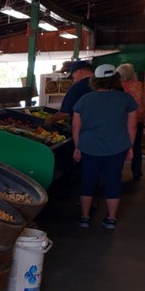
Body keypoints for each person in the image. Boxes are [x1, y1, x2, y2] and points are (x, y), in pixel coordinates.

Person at [72, 64, 137, 229]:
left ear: (95, 80)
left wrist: (77, 147)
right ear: (115, 79)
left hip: (89, 146)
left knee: (88, 180)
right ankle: (111, 219)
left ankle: (85, 218)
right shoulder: (127, 99)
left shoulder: (84, 99)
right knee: (113, 180)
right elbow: (132, 127)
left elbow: (75, 127)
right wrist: (129, 147)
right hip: (116, 147)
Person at [44, 60, 94, 126]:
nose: (74, 80)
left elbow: (65, 113)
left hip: (85, 129)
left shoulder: (78, 87)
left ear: (79, 72)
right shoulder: (103, 84)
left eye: (73, 77)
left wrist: (50, 120)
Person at [116, 63, 144, 180]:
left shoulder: (117, 87)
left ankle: (117, 172)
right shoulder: (141, 86)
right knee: (136, 147)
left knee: (119, 148)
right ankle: (137, 172)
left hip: (121, 122)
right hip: (138, 120)